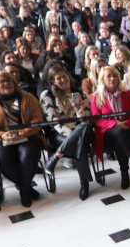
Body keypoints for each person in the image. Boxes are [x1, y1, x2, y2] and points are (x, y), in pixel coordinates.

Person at [0, 71, 47, 208]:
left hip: (29, 136)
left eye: (9, 80)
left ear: (14, 82)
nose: (6, 83)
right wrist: (2, 135)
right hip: (3, 139)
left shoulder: (28, 97)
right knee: (3, 158)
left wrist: (26, 131)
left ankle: (24, 192)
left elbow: (37, 117)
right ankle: (26, 188)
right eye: (2, 81)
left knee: (28, 155)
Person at [89, 66, 130, 189]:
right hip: (107, 133)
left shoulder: (127, 94)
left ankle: (125, 172)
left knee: (120, 139)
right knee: (118, 132)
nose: (112, 78)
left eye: (115, 76)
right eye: (109, 76)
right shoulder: (95, 97)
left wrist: (125, 124)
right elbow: (98, 120)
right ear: (102, 79)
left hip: (128, 130)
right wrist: (115, 124)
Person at [40, 68, 94, 201]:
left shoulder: (80, 94)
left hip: (82, 130)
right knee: (78, 142)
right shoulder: (47, 95)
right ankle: (85, 184)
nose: (63, 80)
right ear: (53, 81)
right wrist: (71, 134)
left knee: (82, 129)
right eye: (58, 78)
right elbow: (53, 121)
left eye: (64, 76)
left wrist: (80, 110)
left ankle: (55, 158)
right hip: (59, 133)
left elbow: (87, 120)